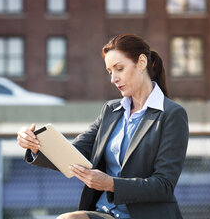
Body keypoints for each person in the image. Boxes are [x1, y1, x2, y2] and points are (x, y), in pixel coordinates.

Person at [17, 33, 189, 219]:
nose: (113, 78)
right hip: (105, 212)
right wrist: (36, 145)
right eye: (110, 71)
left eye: (119, 69)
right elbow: (72, 154)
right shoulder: (111, 110)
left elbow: (164, 185)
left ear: (141, 62)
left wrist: (111, 184)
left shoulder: (172, 114)